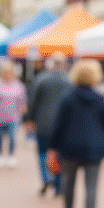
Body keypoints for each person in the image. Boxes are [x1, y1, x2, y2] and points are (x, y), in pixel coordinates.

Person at [49, 60, 104, 208]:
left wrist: (53, 146)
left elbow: (59, 124)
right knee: (91, 186)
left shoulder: (67, 97)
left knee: (68, 183)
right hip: (95, 146)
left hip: (70, 146)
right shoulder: (100, 98)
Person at [26, 52, 71, 196]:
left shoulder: (41, 79)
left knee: (42, 152)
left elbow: (32, 102)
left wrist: (30, 120)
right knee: (60, 154)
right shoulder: (69, 80)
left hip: (43, 123)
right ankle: (58, 185)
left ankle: (46, 178)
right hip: (63, 125)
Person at [0, 61, 26, 167]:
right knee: (0, 137)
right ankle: (0, 155)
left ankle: (11, 155)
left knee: (12, 137)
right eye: (6, 73)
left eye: (10, 73)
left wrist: (24, 110)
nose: (8, 75)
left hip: (14, 117)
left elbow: (22, 100)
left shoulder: (18, 85)